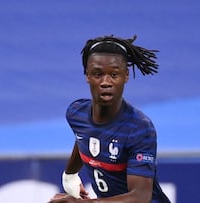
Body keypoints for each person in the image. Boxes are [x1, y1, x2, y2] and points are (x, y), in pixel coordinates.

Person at [49, 35, 170, 203]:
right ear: (87, 75)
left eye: (114, 74)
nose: (106, 82)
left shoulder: (139, 128)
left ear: (126, 75)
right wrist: (69, 175)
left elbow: (141, 197)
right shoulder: (76, 113)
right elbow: (83, 136)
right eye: (97, 74)